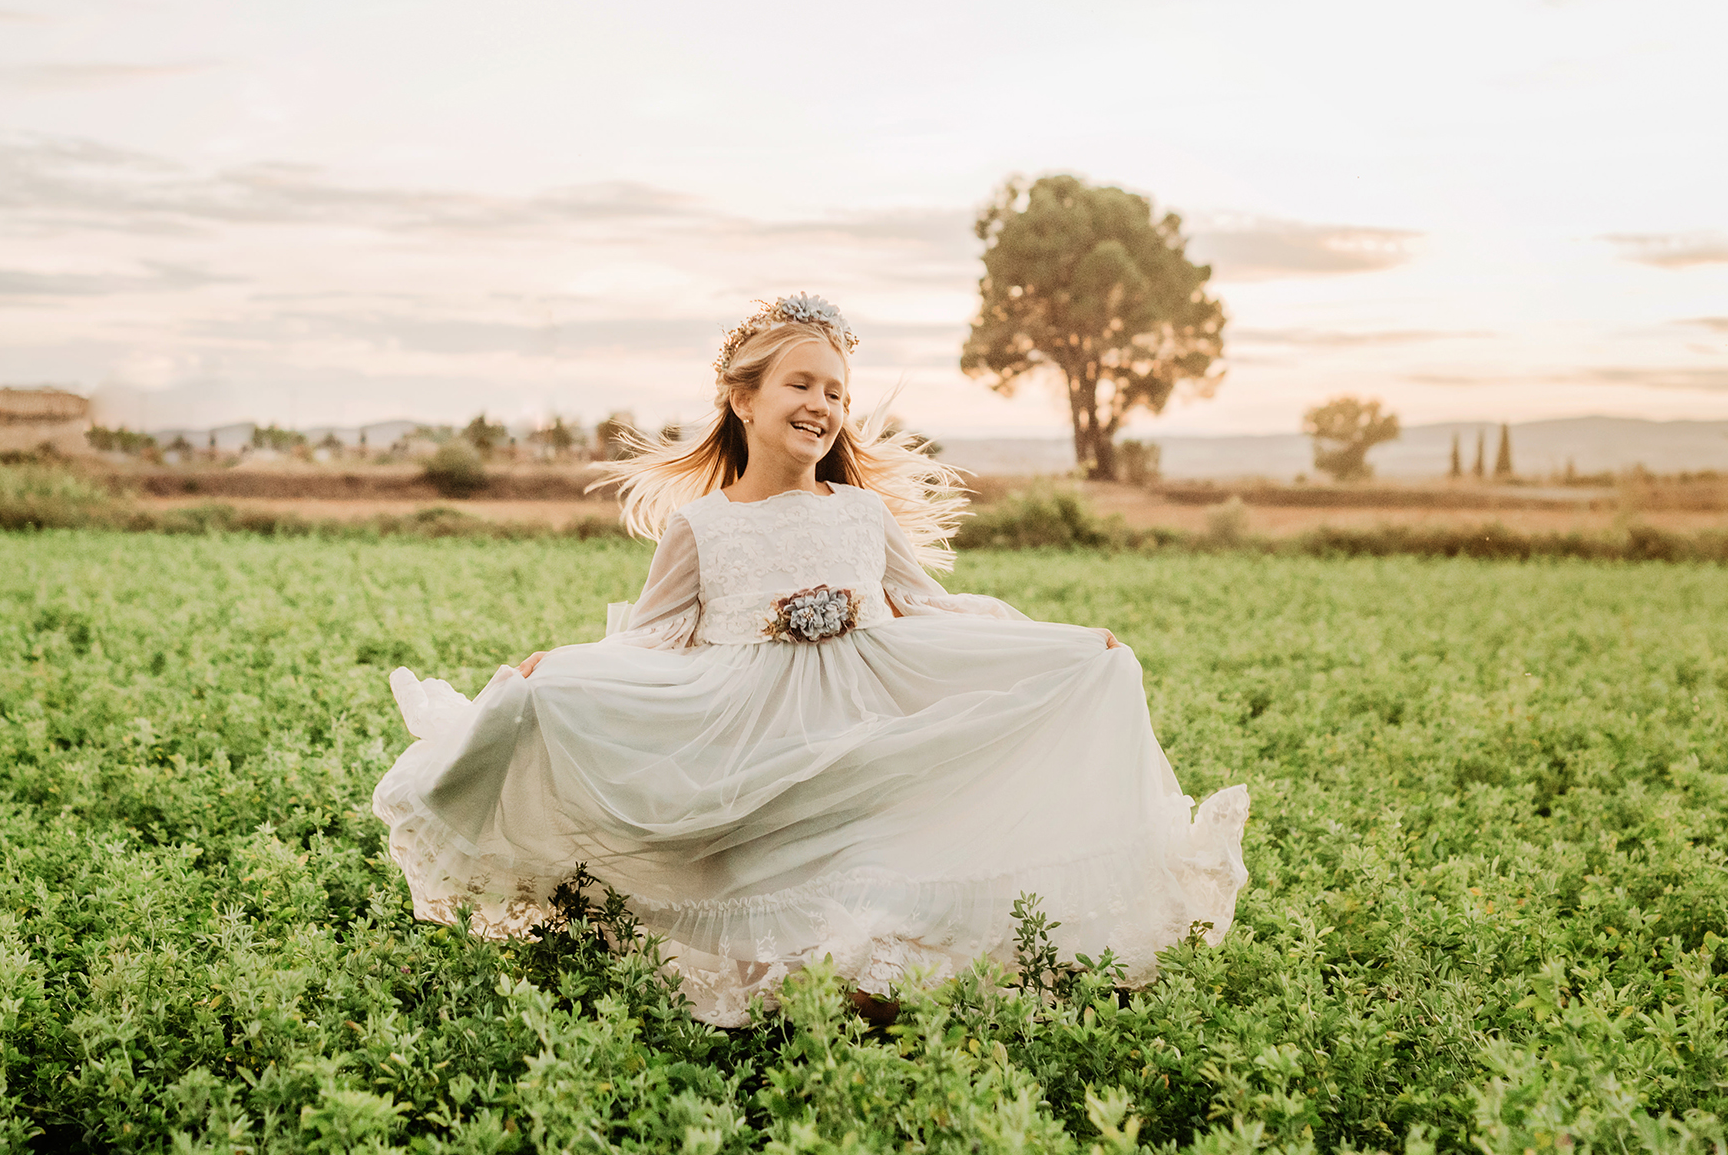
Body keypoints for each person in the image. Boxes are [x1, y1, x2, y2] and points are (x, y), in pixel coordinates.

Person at [373, 294, 1248, 1027]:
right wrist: (556, 672)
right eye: (802, 382)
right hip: (749, 732)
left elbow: (934, 611)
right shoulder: (702, 525)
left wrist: (1062, 649)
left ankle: (870, 1016)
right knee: (760, 885)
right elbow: (651, 637)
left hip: (861, 720)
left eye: (837, 390)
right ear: (742, 397)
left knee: (871, 881)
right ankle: (795, 1023)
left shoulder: (861, 515)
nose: (823, 404)